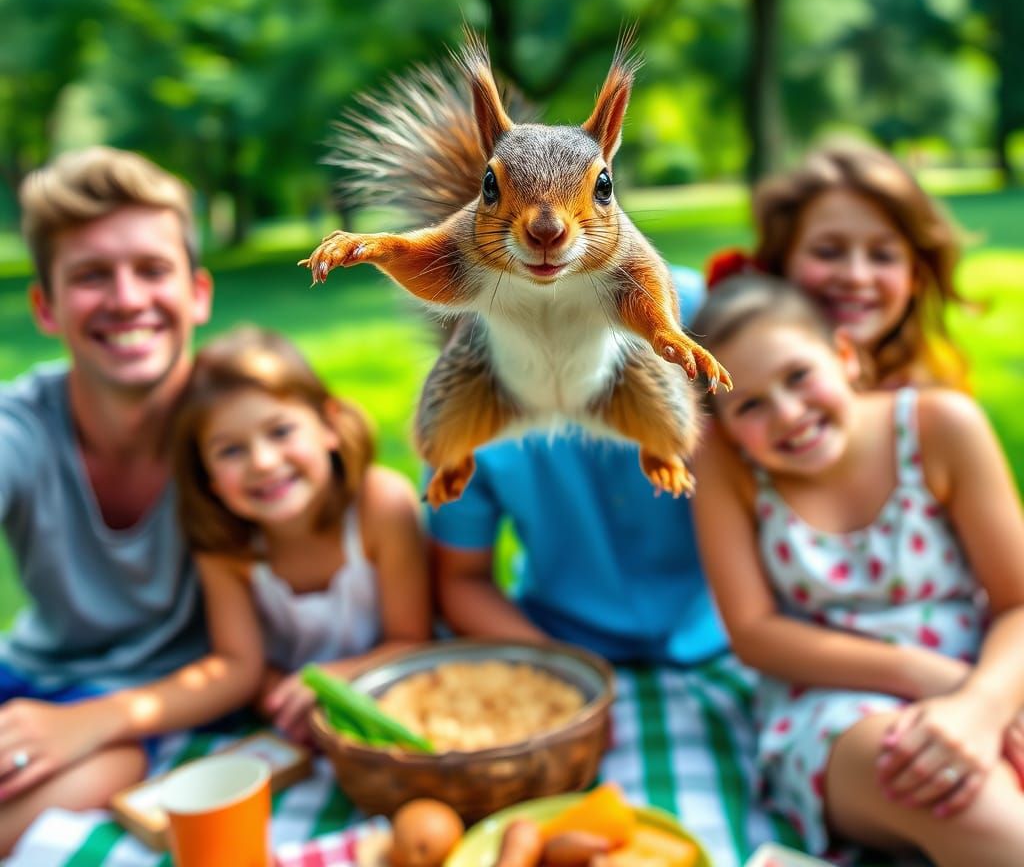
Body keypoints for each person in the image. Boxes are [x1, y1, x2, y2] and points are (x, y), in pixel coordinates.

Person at [689, 271, 1024, 864]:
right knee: (972, 807)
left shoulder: (940, 426)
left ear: (844, 355)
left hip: (991, 669)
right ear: (726, 425)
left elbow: (1018, 603)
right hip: (835, 701)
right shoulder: (729, 468)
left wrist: (984, 703)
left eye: (798, 376)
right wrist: (934, 682)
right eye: (751, 405)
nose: (789, 414)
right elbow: (754, 633)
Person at [0, 147, 213, 852]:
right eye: (91, 276)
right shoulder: (21, 427)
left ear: (198, 293)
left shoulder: (244, 433)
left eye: (152, 270)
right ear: (46, 307)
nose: (125, 298)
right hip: (30, 677)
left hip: (145, 713)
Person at [426, 266, 728, 666]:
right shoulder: (467, 401)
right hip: (560, 638)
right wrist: (564, 668)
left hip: (725, 628)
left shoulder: (687, 309)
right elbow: (462, 579)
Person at [171, 326, 431, 742]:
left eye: (280, 432)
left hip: (397, 705)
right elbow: (242, 667)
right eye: (231, 451)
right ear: (209, 480)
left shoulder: (381, 505)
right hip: (297, 728)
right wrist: (287, 701)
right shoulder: (225, 548)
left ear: (329, 425)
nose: (263, 461)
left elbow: (413, 642)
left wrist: (330, 682)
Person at [749, 142, 972, 391]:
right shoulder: (734, 383)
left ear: (916, 275)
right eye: (828, 252)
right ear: (782, 258)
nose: (856, 276)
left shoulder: (939, 387)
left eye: (883, 256)